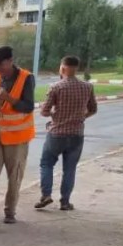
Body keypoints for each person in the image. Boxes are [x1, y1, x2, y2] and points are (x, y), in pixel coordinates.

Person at [0, 45, 36, 225]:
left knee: (14, 177)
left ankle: (10, 212)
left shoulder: (26, 78)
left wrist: (9, 98)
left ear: (10, 61)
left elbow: (28, 106)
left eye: (0, 65)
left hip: (17, 138)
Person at [35, 55, 97, 211]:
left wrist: (55, 115)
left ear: (62, 68)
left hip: (57, 133)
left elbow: (44, 111)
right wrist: (81, 117)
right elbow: (93, 109)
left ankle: (46, 195)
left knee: (46, 164)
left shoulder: (56, 87)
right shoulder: (87, 87)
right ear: (77, 69)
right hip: (77, 134)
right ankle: (65, 202)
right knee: (69, 169)